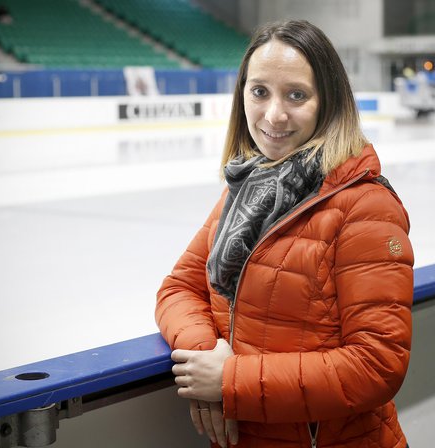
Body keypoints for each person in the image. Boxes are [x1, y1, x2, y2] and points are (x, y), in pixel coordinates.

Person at [156, 19, 414, 448]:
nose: (273, 114)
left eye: (296, 95)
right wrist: (205, 358)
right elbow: (178, 288)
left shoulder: (364, 205)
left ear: (328, 102)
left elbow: (377, 365)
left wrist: (228, 380)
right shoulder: (244, 194)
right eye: (260, 92)